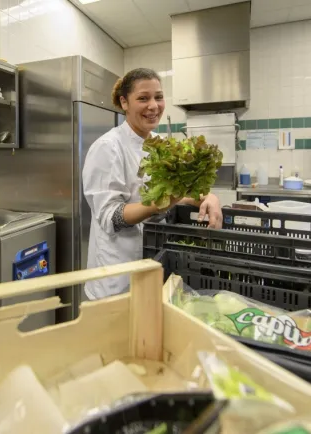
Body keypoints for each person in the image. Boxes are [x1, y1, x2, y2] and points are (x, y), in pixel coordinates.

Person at [82, 67, 223, 300]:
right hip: (119, 275)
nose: (153, 106)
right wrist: (162, 203)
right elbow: (111, 215)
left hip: (155, 264)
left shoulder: (159, 143)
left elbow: (179, 191)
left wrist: (208, 197)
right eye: (143, 98)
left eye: (158, 97)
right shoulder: (108, 147)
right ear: (124, 102)